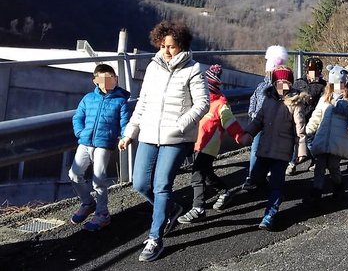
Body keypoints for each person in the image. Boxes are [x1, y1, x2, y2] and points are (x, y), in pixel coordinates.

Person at [119, 20, 209, 262]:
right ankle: (171, 209)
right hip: (148, 133)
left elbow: (203, 103)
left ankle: (155, 237)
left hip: (176, 137)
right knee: (139, 183)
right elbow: (143, 102)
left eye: (172, 46)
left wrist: (181, 124)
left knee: (161, 185)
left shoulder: (193, 69)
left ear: (182, 45)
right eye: (163, 46)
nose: (167, 51)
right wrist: (130, 133)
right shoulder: (153, 67)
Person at [177, 64, 250, 224]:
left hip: (208, 147)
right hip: (197, 143)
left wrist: (240, 136)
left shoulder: (220, 105)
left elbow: (231, 123)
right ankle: (224, 191)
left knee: (197, 176)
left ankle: (198, 208)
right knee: (207, 174)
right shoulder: (198, 101)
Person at [245, 66, 309, 230]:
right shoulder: (268, 100)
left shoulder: (295, 103)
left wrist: (301, 150)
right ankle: (275, 197)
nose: (282, 85)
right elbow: (258, 120)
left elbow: (299, 129)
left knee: (276, 182)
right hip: (265, 147)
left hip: (282, 150)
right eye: (279, 82)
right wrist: (248, 134)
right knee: (256, 177)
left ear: (291, 83)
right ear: (274, 83)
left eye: (286, 82)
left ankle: (270, 214)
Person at [69, 64, 131, 231]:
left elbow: (124, 123)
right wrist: (80, 132)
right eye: (102, 80)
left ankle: (102, 214)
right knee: (74, 174)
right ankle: (88, 203)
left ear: (115, 79)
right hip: (85, 141)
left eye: (110, 79)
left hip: (105, 144)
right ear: (95, 81)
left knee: (99, 179)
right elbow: (78, 117)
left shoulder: (121, 101)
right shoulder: (88, 98)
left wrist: (124, 137)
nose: (106, 83)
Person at [305, 65, 348, 208]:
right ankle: (316, 192)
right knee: (319, 166)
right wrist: (309, 129)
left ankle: (339, 188)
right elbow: (316, 115)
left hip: (338, 139)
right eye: (335, 83)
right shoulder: (325, 98)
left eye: (341, 83)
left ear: (344, 83)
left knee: (334, 166)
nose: (338, 86)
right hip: (323, 138)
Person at [243, 45, 288, 189]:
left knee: (264, 150)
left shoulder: (274, 87)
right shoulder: (261, 85)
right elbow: (253, 100)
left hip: (270, 124)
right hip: (260, 122)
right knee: (256, 150)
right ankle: (253, 176)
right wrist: (252, 113)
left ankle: (259, 176)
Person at [288, 57, 327, 175]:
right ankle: (291, 164)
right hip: (298, 117)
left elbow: (324, 102)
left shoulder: (323, 85)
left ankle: (315, 161)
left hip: (312, 119)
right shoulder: (299, 83)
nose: (313, 73)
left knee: (311, 143)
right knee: (294, 141)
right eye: (311, 70)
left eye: (316, 70)